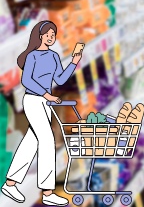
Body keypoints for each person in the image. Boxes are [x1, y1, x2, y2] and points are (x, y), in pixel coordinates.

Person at [2, 21, 81, 206]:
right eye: (47, 34)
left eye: (53, 34)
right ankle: (46, 191)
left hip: (45, 101)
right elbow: (28, 80)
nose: (50, 37)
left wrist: (74, 62)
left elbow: (60, 78)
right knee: (46, 141)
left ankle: (11, 183)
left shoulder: (53, 56)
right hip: (34, 100)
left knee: (31, 142)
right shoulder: (32, 57)